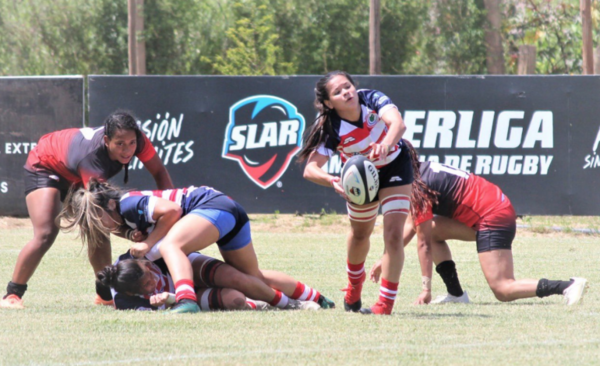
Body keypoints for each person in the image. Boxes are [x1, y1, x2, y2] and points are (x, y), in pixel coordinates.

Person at [59, 179, 336, 313]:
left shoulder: (128, 203)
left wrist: (149, 243)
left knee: (171, 247)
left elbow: (173, 211)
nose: (98, 225)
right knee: (255, 278)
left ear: (109, 203)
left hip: (213, 206)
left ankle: (187, 301)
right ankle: (315, 297)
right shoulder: (122, 223)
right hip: (228, 212)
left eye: (96, 217)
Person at [370, 142, 588, 306]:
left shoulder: (419, 187)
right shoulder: (421, 171)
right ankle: (456, 295)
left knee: (503, 289)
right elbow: (412, 226)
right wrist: (384, 259)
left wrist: (425, 288)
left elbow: (423, 243)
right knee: (434, 230)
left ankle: (566, 286)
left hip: (493, 216)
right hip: (494, 208)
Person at [0, 111, 173, 310]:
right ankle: (12, 294)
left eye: (131, 143)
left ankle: (104, 295)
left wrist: (168, 205)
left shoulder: (139, 140)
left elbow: (159, 172)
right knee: (46, 233)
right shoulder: (92, 161)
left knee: (98, 231)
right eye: (120, 144)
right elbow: (100, 213)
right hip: (46, 165)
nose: (127, 150)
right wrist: (129, 233)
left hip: (74, 167)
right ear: (107, 140)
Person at [297, 71, 413, 315]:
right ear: (329, 103)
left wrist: (386, 144)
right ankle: (354, 286)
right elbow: (310, 169)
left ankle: (385, 304)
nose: (346, 92)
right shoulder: (329, 126)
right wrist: (332, 180)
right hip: (361, 176)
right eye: (337, 92)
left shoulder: (372, 98)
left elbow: (398, 124)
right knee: (360, 234)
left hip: (395, 165)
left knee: (393, 234)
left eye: (347, 86)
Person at [99, 250, 286, 312]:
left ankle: (295, 299)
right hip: (189, 295)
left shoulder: (139, 253)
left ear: (145, 265)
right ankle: (260, 304)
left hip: (192, 269)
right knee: (235, 300)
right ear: (132, 292)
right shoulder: (125, 301)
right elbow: (169, 307)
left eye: (150, 278)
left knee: (239, 278)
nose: (152, 285)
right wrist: (170, 299)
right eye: (146, 288)